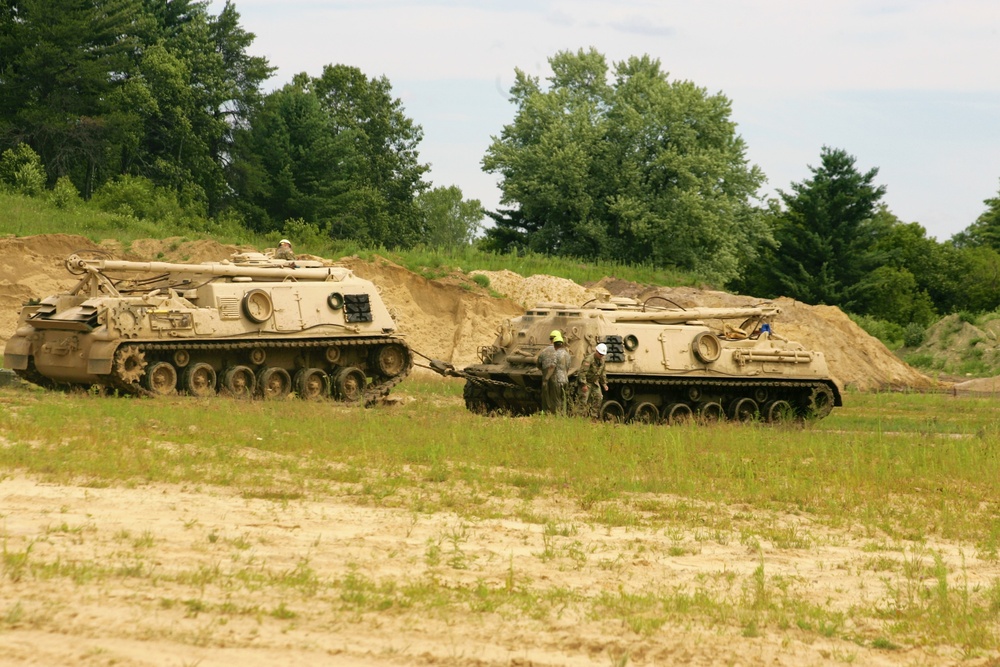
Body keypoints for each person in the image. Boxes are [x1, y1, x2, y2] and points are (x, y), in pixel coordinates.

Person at [537, 329, 571, 415]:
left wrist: (546, 379)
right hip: (565, 379)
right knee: (563, 399)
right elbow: (567, 367)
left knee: (555, 400)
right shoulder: (567, 354)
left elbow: (551, 366)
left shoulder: (553, 353)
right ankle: (563, 415)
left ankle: (556, 417)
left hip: (555, 380)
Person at [575, 343, 609, 418]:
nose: (601, 355)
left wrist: (604, 383)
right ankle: (580, 417)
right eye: (600, 354)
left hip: (595, 382)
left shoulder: (602, 361)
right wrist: (583, 384)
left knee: (599, 397)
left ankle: (593, 416)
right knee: (583, 400)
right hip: (586, 382)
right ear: (596, 351)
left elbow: (602, 372)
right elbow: (582, 372)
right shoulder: (588, 359)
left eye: (602, 354)